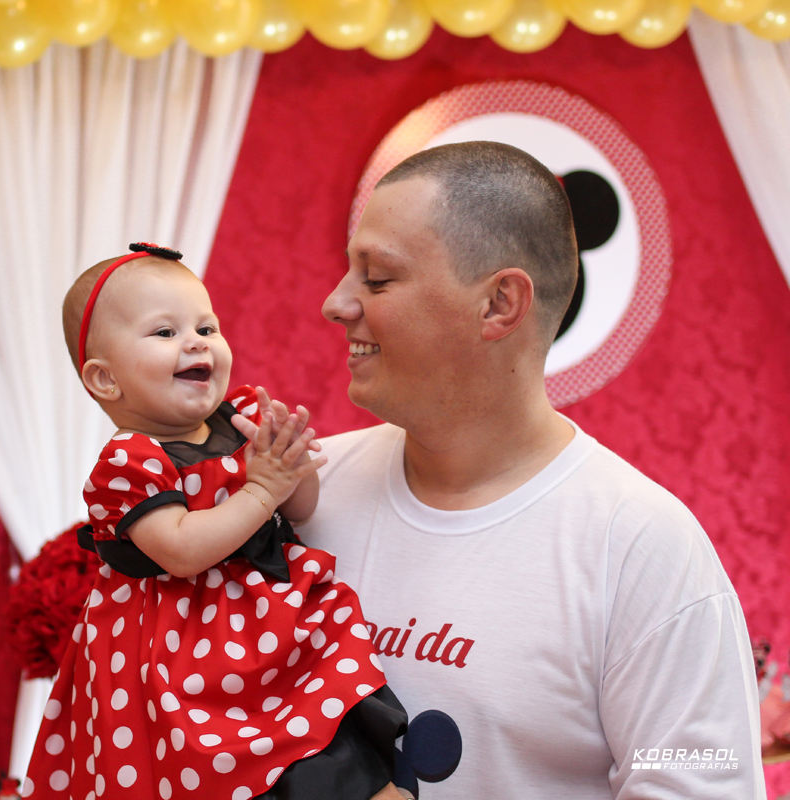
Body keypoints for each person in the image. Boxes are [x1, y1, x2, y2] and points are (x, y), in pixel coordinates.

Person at [298, 141, 765, 798]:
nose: (337, 304)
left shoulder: (641, 548)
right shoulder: (302, 493)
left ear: (499, 304)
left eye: (377, 279)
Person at [21, 243, 407, 800]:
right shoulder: (130, 462)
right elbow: (181, 549)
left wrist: (289, 464)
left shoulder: (239, 419)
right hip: (179, 652)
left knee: (328, 735)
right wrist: (261, 486)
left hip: (269, 629)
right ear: (105, 380)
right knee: (215, 765)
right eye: (165, 333)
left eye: (207, 326)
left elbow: (301, 509)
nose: (196, 341)